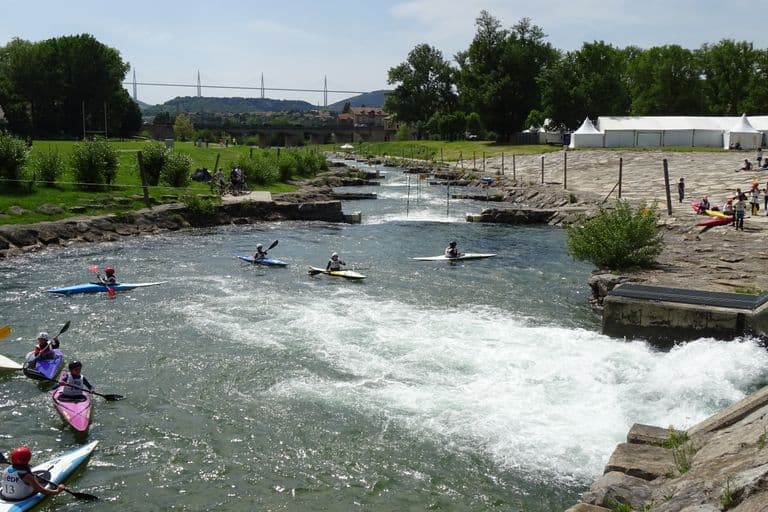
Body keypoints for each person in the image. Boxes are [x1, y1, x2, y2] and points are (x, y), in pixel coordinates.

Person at [0, 446, 64, 500]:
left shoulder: (7, 470)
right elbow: (43, 491)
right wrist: (57, 490)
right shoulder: (26, 476)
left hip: (5, 496)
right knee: (35, 484)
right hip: (21, 498)